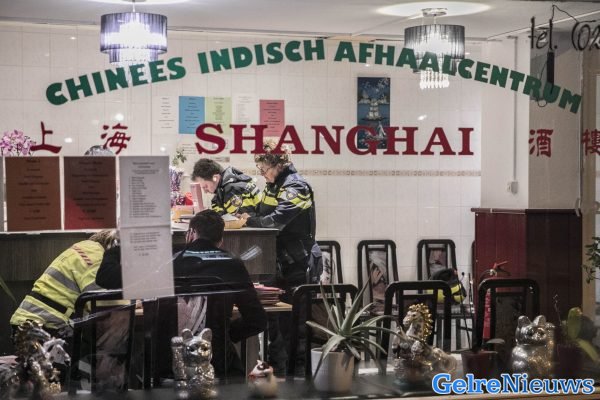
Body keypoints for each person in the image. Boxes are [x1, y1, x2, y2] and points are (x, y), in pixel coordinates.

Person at [96, 210, 267, 377]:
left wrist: (120, 245)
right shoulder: (232, 265)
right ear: (220, 241)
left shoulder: (165, 262)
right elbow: (257, 320)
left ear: (190, 234)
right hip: (215, 364)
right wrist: (224, 335)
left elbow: (105, 277)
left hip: (165, 365)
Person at [239, 139, 322, 374]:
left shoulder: (296, 186)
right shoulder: (274, 185)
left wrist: (250, 221)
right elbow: (262, 212)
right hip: (278, 262)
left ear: (278, 164)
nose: (261, 173)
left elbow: (277, 221)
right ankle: (279, 370)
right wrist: (245, 212)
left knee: (296, 323)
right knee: (275, 321)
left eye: (264, 168)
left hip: (299, 263)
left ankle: (299, 376)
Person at [10, 230, 118, 339]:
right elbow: (100, 301)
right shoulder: (96, 254)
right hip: (43, 326)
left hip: (33, 323)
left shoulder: (85, 248)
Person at [191, 158, 260, 216]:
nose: (205, 191)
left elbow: (239, 221)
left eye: (205, 186)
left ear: (215, 178)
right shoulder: (222, 192)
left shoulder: (233, 190)